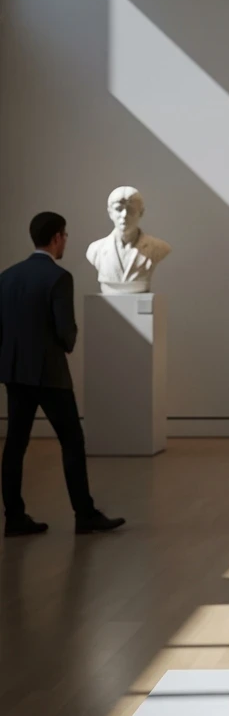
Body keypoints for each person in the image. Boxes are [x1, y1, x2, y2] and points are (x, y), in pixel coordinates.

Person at [0, 212, 125, 537]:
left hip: (15, 372)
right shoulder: (59, 277)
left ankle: (14, 517)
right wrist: (68, 341)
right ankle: (84, 514)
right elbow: (65, 330)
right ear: (56, 237)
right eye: (65, 235)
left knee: (15, 444)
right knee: (71, 441)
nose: (65, 240)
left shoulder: (7, 276)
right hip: (50, 374)